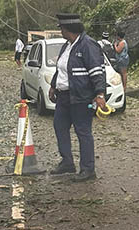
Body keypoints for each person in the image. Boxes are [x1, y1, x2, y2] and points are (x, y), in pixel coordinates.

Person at [48, 13, 106, 182]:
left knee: (83, 132)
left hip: (81, 97)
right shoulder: (67, 46)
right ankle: (67, 162)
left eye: (62, 29)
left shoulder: (88, 45)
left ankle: (88, 170)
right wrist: (53, 85)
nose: (61, 32)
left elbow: (97, 71)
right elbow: (61, 69)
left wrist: (100, 94)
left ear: (68, 29)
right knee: (59, 126)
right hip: (64, 97)